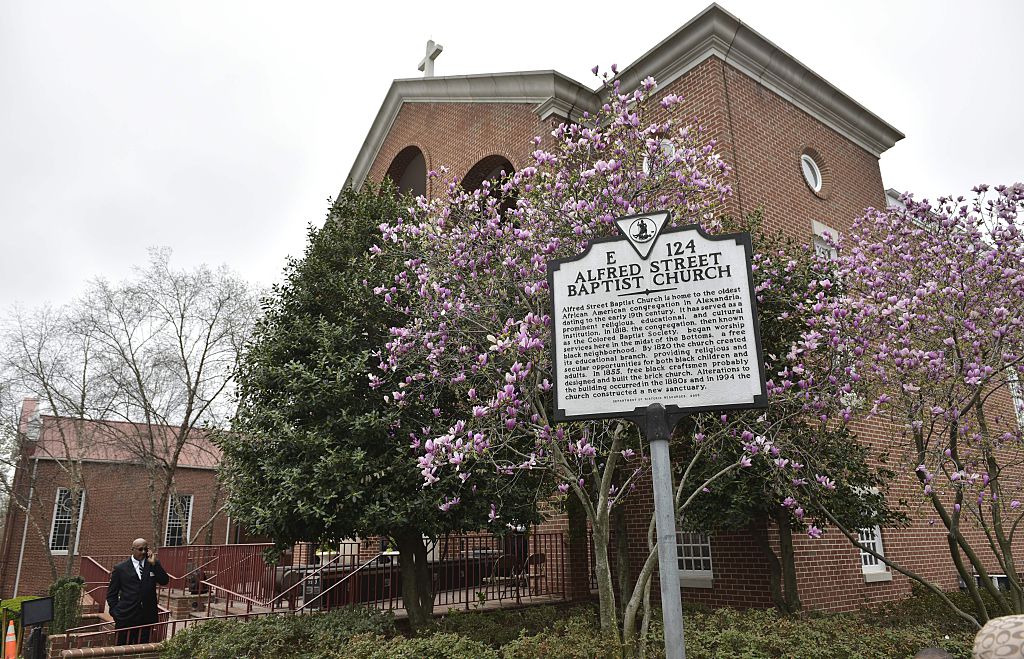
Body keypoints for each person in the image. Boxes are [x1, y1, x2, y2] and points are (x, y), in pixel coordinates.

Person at [106, 538, 169, 645]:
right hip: (125, 617)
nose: (144, 552)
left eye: (146, 549)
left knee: (142, 649)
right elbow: (112, 594)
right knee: (123, 649)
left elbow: (164, 581)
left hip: (146, 617)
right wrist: (115, 613)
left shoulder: (153, 564)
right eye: (140, 549)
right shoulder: (121, 568)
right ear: (132, 549)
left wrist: (155, 564)